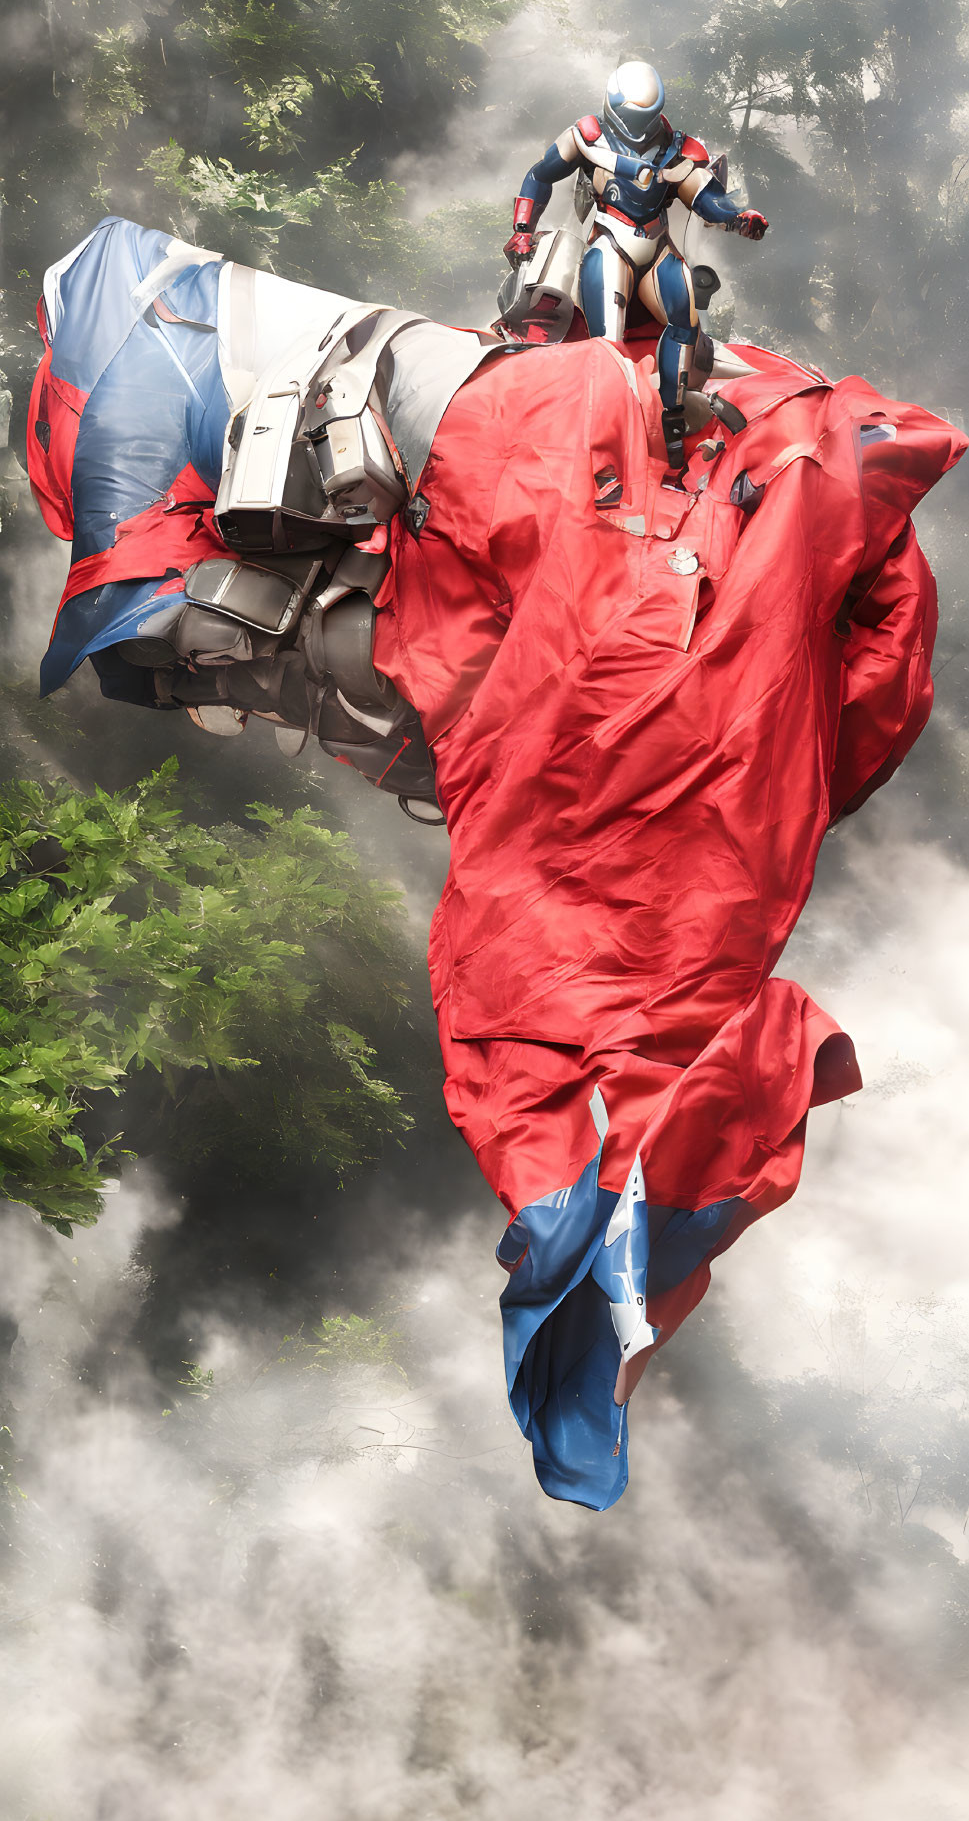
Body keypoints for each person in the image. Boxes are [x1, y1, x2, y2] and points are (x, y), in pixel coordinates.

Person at [25, 216, 966, 1508]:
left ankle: (602, 1243)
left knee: (555, 944)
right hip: (664, 618)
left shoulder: (549, 456)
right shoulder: (560, 463)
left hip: (652, 616)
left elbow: (839, 633)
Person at [504, 59, 768, 464]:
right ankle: (603, 444)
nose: (636, 124)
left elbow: (704, 196)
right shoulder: (588, 135)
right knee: (606, 347)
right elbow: (540, 175)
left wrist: (736, 218)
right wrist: (523, 226)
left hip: (657, 245)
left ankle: (672, 421)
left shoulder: (678, 150)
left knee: (685, 321)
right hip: (611, 240)